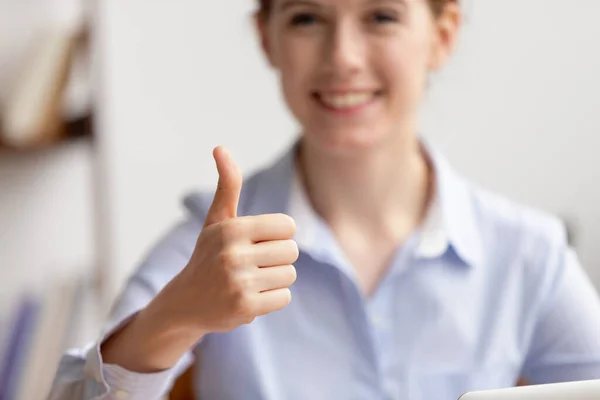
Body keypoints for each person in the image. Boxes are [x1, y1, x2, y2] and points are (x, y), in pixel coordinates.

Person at [49, 0, 600, 399]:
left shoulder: (528, 253)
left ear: (443, 34)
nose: (343, 58)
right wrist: (177, 315)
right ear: (266, 37)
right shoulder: (211, 250)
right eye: (307, 18)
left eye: (382, 16)